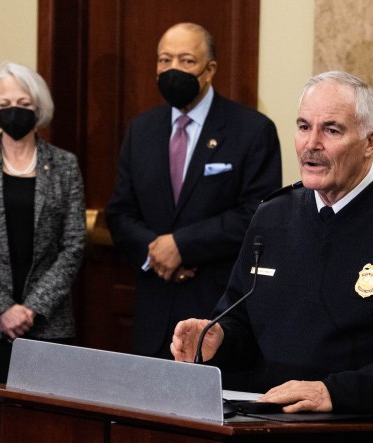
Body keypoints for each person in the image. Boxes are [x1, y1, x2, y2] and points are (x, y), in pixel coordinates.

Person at [171, 71, 373, 442]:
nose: (311, 144)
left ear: (370, 142)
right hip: (270, 431)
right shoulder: (271, 216)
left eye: (331, 130)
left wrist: (332, 392)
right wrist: (218, 340)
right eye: (303, 126)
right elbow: (244, 323)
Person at [105, 23, 282, 361]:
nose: (173, 70)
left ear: (209, 69)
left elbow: (258, 215)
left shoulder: (252, 130)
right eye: (164, 60)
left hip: (217, 317)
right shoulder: (140, 130)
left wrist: (183, 247)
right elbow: (119, 213)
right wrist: (157, 253)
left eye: (186, 61)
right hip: (152, 318)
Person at [0, 61, 86, 442]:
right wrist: (2, 310)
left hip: (47, 322)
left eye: (23, 102)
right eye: (4, 102)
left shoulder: (64, 165)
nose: (14, 110)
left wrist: (31, 309)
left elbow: (73, 245)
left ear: (38, 108)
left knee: (42, 428)